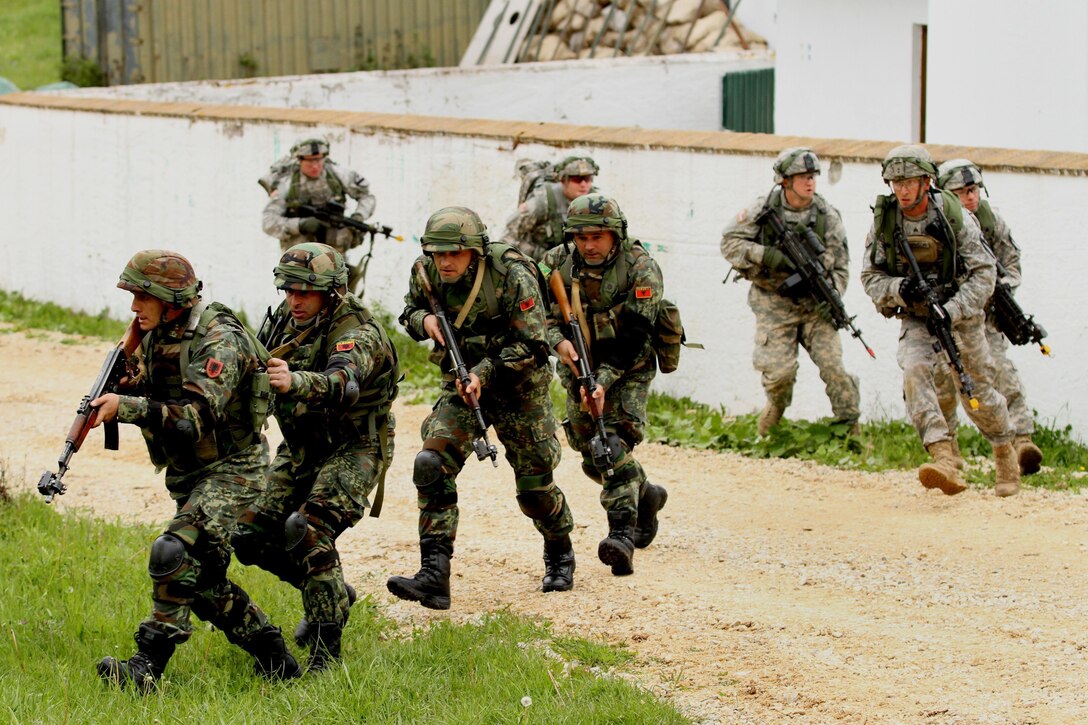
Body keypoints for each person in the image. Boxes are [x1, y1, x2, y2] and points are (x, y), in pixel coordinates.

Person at [90, 250, 300, 692]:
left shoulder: (219, 338)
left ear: (169, 297)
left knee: (173, 551)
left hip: (234, 470)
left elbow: (193, 419)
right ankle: (275, 657)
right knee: (203, 583)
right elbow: (158, 387)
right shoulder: (156, 332)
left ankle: (146, 666)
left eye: (142, 296)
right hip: (191, 474)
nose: (134, 307)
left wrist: (125, 407)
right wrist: (127, 381)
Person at [387, 207, 575, 609]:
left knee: (535, 489)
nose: (445, 262)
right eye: (438, 253)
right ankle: (434, 575)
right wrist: (424, 321)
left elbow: (534, 345)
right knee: (431, 463)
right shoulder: (425, 270)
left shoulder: (512, 274)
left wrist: (483, 373)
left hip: (519, 386)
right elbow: (409, 311)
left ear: (475, 251)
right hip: (461, 383)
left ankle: (559, 548)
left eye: (454, 253)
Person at [231, 242, 400, 671]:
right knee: (247, 533)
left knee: (307, 530)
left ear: (332, 292)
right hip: (302, 445)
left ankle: (326, 654)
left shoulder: (358, 331)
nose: (295, 300)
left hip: (355, 445)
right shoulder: (284, 322)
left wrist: (295, 381)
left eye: (306, 292)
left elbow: (343, 381)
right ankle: (331, 592)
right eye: (289, 290)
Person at [860, 145, 1021, 496]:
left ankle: (1004, 450)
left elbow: (984, 273)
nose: (902, 190)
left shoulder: (954, 216)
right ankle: (943, 456)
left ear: (927, 181)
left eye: (909, 182)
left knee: (975, 388)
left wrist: (954, 309)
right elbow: (870, 277)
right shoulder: (886, 221)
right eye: (896, 183)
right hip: (917, 315)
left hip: (960, 314)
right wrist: (899, 289)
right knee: (914, 371)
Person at [540, 193, 668, 576]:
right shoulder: (554, 263)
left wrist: (603, 382)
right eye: (581, 238)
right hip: (578, 365)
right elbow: (537, 315)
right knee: (589, 453)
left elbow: (637, 333)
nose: (589, 245)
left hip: (628, 366)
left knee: (611, 445)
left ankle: (621, 536)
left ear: (615, 234)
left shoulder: (641, 267)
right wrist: (557, 343)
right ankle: (645, 494)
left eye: (597, 237)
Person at [720, 147, 861, 435]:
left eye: (813, 176)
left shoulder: (827, 216)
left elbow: (841, 267)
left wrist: (832, 295)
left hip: (815, 308)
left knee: (834, 368)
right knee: (780, 374)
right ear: (785, 181)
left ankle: (850, 427)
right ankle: (773, 414)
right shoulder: (763, 209)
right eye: (803, 177)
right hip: (774, 304)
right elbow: (729, 243)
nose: (810, 182)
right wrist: (766, 255)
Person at [935, 159, 1043, 475]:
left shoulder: (992, 223)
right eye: (962, 192)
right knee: (940, 382)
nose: (970, 197)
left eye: (973, 190)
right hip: (947, 317)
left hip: (984, 317)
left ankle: (1021, 441)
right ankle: (948, 450)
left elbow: (1012, 265)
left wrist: (999, 289)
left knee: (1002, 373)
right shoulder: (936, 225)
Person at [262, 137, 376, 254]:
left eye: (318, 160)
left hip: (333, 254)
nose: (315, 166)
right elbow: (268, 222)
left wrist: (359, 215)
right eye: (310, 161)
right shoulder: (287, 183)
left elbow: (367, 197)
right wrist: (300, 225)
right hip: (298, 256)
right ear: (299, 159)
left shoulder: (338, 174)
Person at [500, 155, 599, 262]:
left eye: (588, 179)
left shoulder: (596, 202)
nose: (584, 184)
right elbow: (509, 237)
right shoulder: (541, 202)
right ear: (563, 180)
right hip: (538, 260)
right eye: (577, 179)